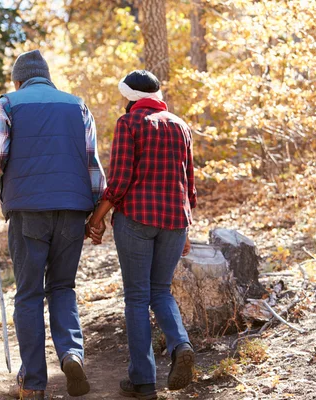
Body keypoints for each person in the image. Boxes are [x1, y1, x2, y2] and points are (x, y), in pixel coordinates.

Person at [0, 49, 106, 399]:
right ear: (47, 77)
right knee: (62, 287)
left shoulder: (8, 104)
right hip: (72, 208)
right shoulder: (77, 105)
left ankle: (33, 382)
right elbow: (92, 162)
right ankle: (71, 354)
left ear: (18, 80)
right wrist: (97, 212)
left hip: (28, 211)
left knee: (30, 293)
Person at [87, 70, 196, 400]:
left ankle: (143, 381)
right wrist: (187, 227)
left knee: (136, 297)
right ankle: (181, 345)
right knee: (161, 291)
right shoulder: (181, 125)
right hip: (176, 220)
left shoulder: (129, 124)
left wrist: (97, 218)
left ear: (129, 97)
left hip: (136, 218)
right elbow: (189, 185)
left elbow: (119, 181)